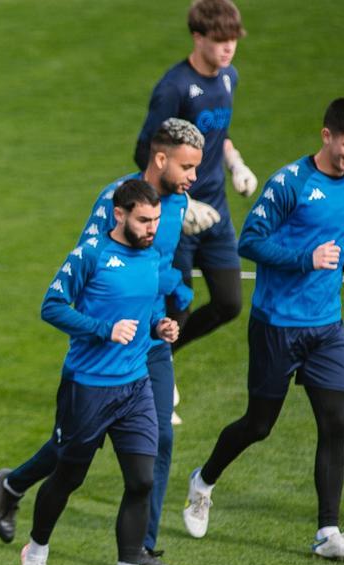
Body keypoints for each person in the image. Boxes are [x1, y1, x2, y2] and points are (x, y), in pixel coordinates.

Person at [0, 119, 203, 565]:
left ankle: (139, 551)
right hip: (102, 348)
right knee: (71, 458)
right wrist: (104, 327)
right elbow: (91, 266)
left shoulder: (179, 202)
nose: (192, 178)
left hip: (146, 339)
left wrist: (167, 305)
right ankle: (15, 484)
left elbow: (155, 262)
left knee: (157, 442)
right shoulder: (113, 204)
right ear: (160, 158)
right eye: (187, 168)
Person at [182, 98, 344, 564]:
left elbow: (339, 234)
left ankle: (328, 530)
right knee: (259, 425)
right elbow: (250, 240)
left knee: (335, 423)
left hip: (326, 326)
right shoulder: (290, 183)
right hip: (277, 325)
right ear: (326, 135)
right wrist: (305, 260)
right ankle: (203, 481)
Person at [17, 179, 179, 565]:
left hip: (136, 385)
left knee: (142, 480)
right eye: (144, 220)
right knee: (69, 476)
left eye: (156, 221)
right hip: (88, 386)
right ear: (120, 214)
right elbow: (51, 306)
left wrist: (158, 326)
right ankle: (36, 549)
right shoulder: (89, 254)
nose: (151, 229)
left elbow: (147, 307)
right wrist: (102, 329)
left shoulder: (153, 254)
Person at [134, 0, 253, 419]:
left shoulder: (228, 79)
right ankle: (154, 385)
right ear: (198, 37)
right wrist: (180, 205)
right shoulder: (174, 87)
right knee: (176, 307)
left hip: (216, 213)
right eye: (220, 42)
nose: (228, 51)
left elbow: (216, 134)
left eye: (233, 42)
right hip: (178, 216)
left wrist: (235, 164)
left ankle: (160, 362)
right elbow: (145, 153)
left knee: (228, 303)